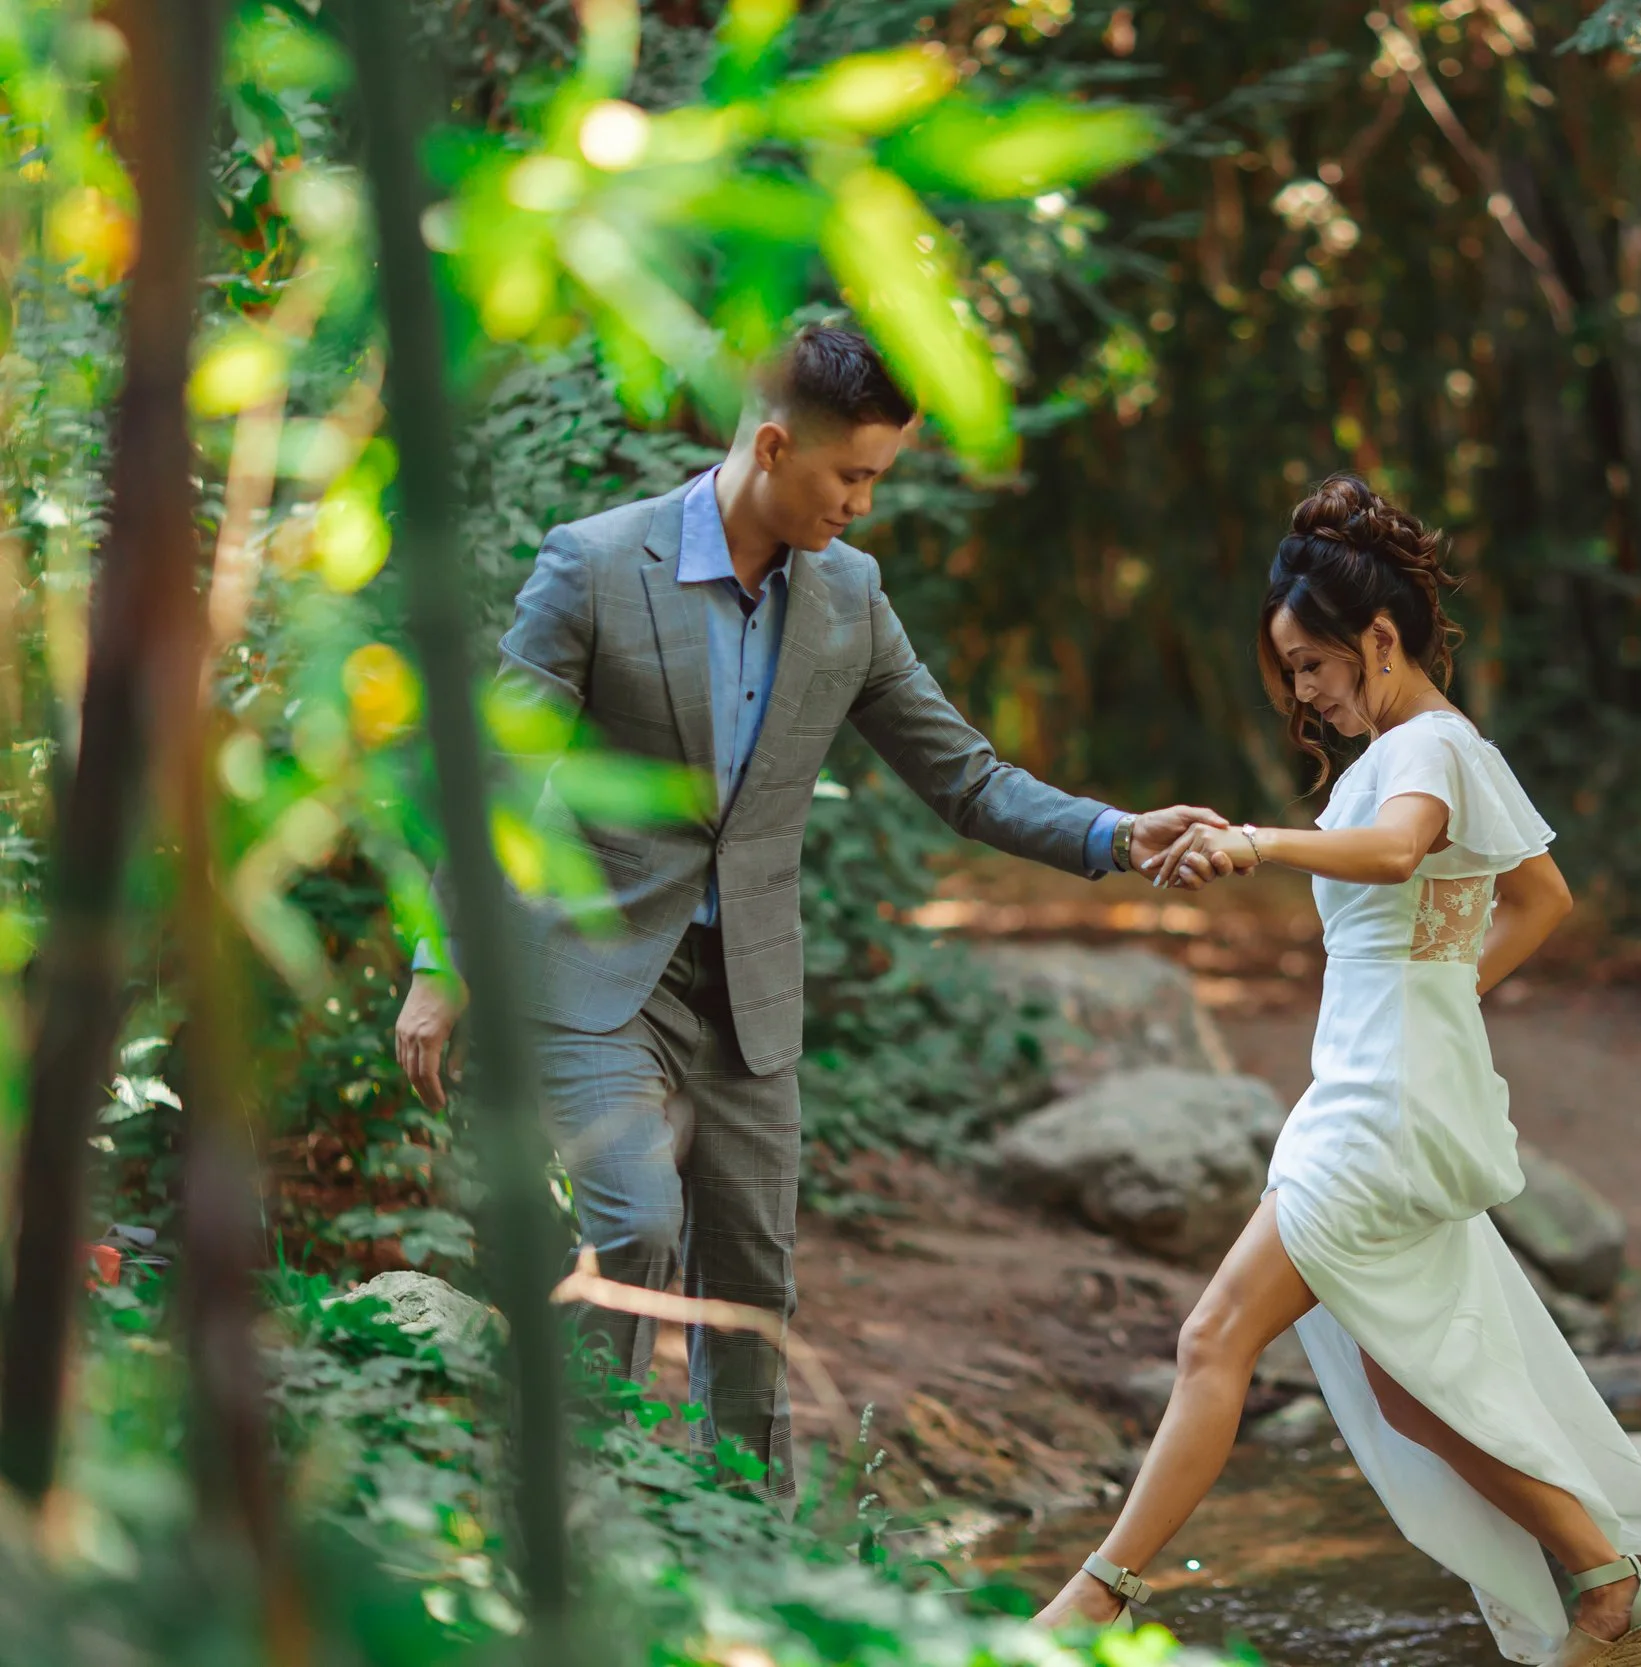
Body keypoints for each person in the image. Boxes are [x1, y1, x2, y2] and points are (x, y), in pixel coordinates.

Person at [393, 325, 1229, 1504]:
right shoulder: (591, 565)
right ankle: (576, 1509)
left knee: (755, 1291)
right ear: (775, 445)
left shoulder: (849, 596)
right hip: (589, 973)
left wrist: (1113, 834)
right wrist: (443, 959)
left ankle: (746, 1546)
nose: (863, 504)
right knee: (631, 1220)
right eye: (853, 476)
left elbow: (967, 777)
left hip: (750, 995)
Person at [1031, 476, 1641, 1666]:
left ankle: (1088, 1607)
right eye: (1288, 673)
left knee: (1212, 1335)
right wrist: (1444, 994)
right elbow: (1541, 898)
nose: (1302, 693)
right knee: (1401, 1385)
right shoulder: (1423, 746)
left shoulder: (1428, 745)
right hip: (1384, 1087)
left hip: (1382, 1109)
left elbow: (1395, 854)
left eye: (1312, 666)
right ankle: (1607, 1583)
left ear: (1379, 638)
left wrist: (1259, 842)